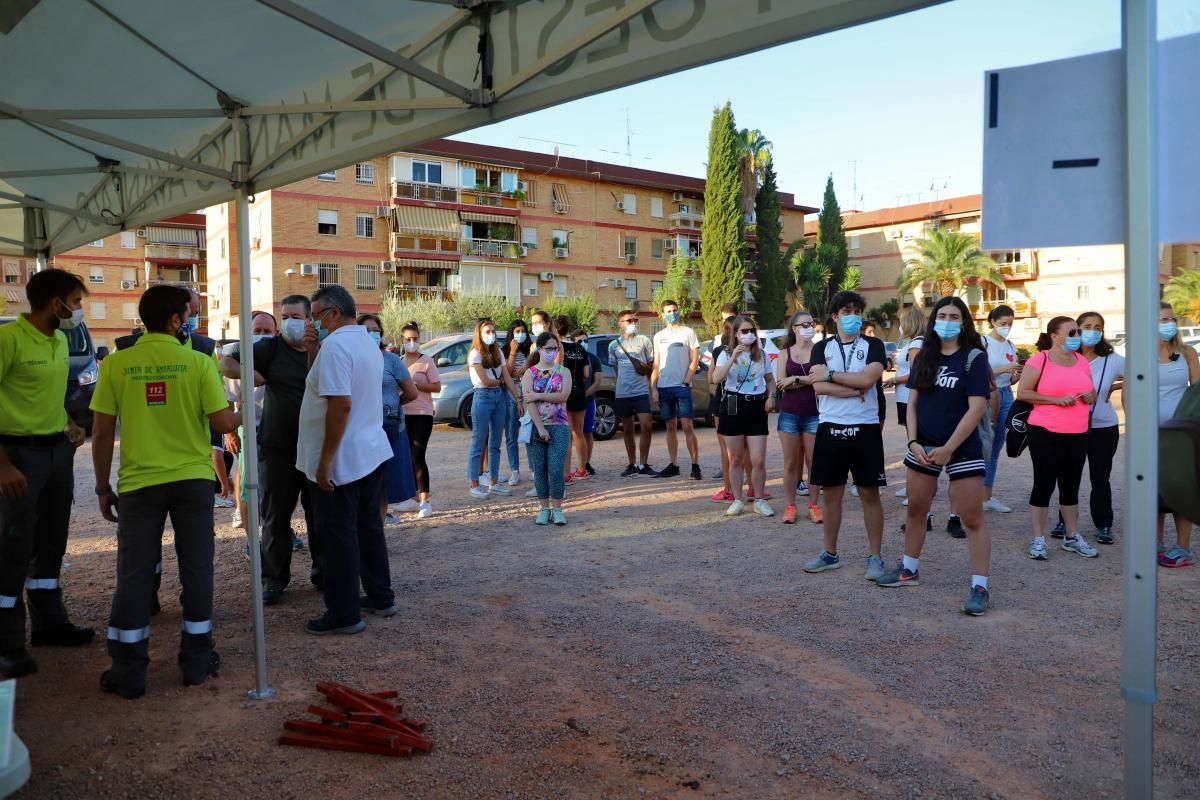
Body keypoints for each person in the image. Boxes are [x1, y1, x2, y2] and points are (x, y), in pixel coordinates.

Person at [90, 285, 240, 697]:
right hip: (191, 481)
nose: (190, 319)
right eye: (186, 314)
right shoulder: (197, 362)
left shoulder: (117, 364)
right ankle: (195, 659)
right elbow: (225, 424)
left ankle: (128, 669)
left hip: (139, 484)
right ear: (176, 321)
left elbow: (102, 434)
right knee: (197, 568)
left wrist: (103, 487)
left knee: (134, 574)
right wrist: (256, 406)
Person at [0, 269, 93, 679]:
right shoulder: (7, 340)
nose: (78, 309)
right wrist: (2, 464)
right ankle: (7, 645)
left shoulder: (58, 340)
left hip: (56, 451)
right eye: (75, 301)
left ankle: (50, 625)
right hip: (17, 457)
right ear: (55, 303)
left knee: (52, 540)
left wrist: (66, 425)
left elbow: (44, 397)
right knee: (12, 548)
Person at [875, 297, 993, 615]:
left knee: (971, 517)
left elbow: (977, 408)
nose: (948, 321)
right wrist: (913, 441)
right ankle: (908, 569)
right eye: (942, 315)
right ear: (933, 320)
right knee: (916, 509)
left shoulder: (974, 358)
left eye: (955, 316)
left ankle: (980, 586)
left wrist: (949, 448)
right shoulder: (925, 356)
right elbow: (911, 403)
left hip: (961, 447)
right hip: (923, 446)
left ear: (964, 321)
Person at [297, 286, 396, 635]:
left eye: (316, 315)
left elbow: (340, 405)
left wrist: (325, 462)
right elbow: (325, 389)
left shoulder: (338, 346)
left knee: (338, 536)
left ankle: (344, 612)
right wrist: (313, 352)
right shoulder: (365, 343)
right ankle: (380, 595)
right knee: (368, 528)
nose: (313, 322)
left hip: (344, 457)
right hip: (368, 451)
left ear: (334, 313)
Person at [221, 295, 320, 606]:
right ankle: (273, 580)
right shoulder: (269, 348)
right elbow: (225, 360)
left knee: (320, 517)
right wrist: (250, 374)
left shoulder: (325, 348)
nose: (289, 321)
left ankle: (324, 574)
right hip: (277, 448)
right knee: (275, 518)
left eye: (295, 315)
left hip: (317, 447)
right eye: (285, 315)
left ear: (309, 320)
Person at [802, 291, 888, 581]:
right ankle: (830, 553)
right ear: (835, 316)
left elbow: (869, 379)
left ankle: (875, 556)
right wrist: (855, 388)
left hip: (865, 428)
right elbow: (818, 389)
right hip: (830, 426)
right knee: (832, 496)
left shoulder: (874, 345)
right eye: (846, 311)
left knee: (869, 494)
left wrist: (831, 376)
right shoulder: (821, 348)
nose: (852, 315)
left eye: (856, 310)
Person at [1018, 316, 1099, 560]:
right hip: (1045, 431)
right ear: (1055, 336)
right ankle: (1038, 539)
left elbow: (1092, 393)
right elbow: (1023, 392)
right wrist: (1055, 400)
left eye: (1077, 332)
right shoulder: (1039, 359)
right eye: (1072, 332)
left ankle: (1071, 536)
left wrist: (1090, 396)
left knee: (1071, 485)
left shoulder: (1082, 361)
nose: (1077, 336)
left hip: (1077, 432)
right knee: (1044, 483)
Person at [1046, 312, 1124, 546]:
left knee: (1101, 476)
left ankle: (1104, 524)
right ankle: (1064, 522)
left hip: (1103, 427)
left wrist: (1111, 387)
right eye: (1087, 326)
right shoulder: (1064, 357)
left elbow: (1140, 377)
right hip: (1070, 427)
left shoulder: (1114, 359)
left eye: (1098, 327)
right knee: (1069, 476)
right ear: (1076, 329)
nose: (1093, 331)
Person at [711, 315, 777, 517]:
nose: (749, 335)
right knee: (736, 458)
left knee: (758, 460)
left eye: (751, 331)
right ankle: (737, 499)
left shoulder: (762, 355)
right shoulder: (725, 354)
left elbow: (770, 380)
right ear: (735, 334)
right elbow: (715, 379)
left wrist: (771, 396)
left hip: (756, 405)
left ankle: (758, 499)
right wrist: (733, 358)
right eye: (744, 331)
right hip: (733, 405)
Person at [359, 315, 418, 525]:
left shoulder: (391, 360)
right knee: (363, 481)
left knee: (384, 482)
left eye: (375, 330)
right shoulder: (351, 358)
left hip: (390, 428)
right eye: (366, 330)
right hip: (360, 429)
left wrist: (392, 407)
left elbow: (411, 393)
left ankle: (378, 527)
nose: (372, 334)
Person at [1156, 303, 1200, 567]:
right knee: (1154, 490)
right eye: (1162, 319)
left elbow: (1196, 392)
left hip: (1181, 434)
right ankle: (1156, 543)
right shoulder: (1140, 355)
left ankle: (1183, 548)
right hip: (1151, 434)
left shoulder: (1187, 353)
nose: (1169, 324)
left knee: (1182, 488)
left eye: (1171, 319)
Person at [224, 310, 275, 530]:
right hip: (251, 433)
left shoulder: (283, 357)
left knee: (277, 488)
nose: (262, 335)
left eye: (267, 331)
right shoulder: (239, 361)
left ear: (276, 332)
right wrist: (230, 433)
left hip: (281, 433)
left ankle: (279, 529)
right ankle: (251, 539)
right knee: (248, 486)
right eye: (257, 331)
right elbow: (228, 399)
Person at [467, 318, 522, 498]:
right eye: (486, 332)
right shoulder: (475, 354)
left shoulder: (498, 351)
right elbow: (486, 381)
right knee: (478, 441)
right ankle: (474, 484)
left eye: (492, 331)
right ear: (479, 334)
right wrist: (499, 382)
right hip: (482, 396)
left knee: (496, 442)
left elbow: (506, 376)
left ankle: (494, 481)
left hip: (499, 397)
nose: (491, 335)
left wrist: (518, 398)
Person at [776, 310, 822, 524]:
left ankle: (813, 506)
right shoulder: (784, 353)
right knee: (790, 463)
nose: (809, 327)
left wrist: (795, 379)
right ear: (794, 328)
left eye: (811, 324)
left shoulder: (819, 351)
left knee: (814, 462)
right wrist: (806, 379)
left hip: (814, 413)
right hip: (789, 414)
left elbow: (821, 380)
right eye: (804, 324)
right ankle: (790, 506)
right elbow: (780, 382)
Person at [523, 331, 573, 525]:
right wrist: (540, 428)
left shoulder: (564, 372)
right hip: (536, 427)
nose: (552, 352)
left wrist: (537, 395)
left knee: (555, 468)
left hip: (559, 425)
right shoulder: (530, 373)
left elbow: (563, 396)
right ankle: (544, 508)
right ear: (540, 349)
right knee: (540, 469)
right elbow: (529, 403)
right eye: (548, 348)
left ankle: (558, 508)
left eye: (555, 348)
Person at [650, 300, 702, 480]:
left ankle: (695, 466)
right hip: (664, 388)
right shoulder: (658, 336)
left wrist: (686, 382)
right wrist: (654, 388)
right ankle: (673, 465)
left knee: (687, 425)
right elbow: (656, 364)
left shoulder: (688, 332)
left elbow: (694, 361)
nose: (671, 313)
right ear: (662, 315)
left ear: (678, 311)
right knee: (670, 426)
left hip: (682, 387)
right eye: (668, 311)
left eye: (674, 310)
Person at [980, 305, 1021, 513]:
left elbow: (1010, 379)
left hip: (1006, 395)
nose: (1007, 327)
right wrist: (1005, 369)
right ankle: (974, 494)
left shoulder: (1011, 345)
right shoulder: (983, 342)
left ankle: (987, 496)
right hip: (988, 396)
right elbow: (978, 374)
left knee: (996, 448)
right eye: (1003, 323)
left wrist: (1016, 374)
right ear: (993, 322)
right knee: (983, 445)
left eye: (1010, 324)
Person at [400, 321, 441, 518]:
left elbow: (437, 386)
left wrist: (416, 386)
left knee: (418, 455)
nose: (412, 342)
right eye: (408, 339)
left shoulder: (427, 361)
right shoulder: (398, 361)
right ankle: (413, 496)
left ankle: (426, 500)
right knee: (406, 456)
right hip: (402, 414)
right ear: (402, 340)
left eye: (415, 339)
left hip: (422, 414)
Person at [608, 309, 656, 477]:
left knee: (647, 425)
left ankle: (644, 464)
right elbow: (615, 369)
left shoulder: (644, 340)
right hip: (622, 394)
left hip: (641, 391)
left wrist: (652, 388)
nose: (633, 323)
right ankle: (632, 464)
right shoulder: (613, 345)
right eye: (629, 320)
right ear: (620, 324)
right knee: (627, 429)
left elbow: (652, 366)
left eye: (635, 320)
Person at [887, 306, 926, 506]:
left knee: (914, 442)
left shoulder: (916, 344)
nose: (900, 326)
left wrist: (894, 379)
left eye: (901, 322)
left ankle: (917, 489)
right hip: (905, 397)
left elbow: (915, 373)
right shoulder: (915, 342)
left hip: (910, 397)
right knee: (912, 441)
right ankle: (913, 486)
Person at [554, 316, 592, 484]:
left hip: (564, 392)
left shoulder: (556, 348)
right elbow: (586, 374)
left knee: (566, 433)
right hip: (579, 392)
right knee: (579, 432)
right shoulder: (580, 348)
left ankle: (566, 472)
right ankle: (582, 468)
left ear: (554, 330)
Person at [709, 303, 739, 484]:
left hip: (736, 400)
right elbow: (712, 378)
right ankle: (732, 484)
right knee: (728, 445)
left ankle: (735, 486)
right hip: (722, 399)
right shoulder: (718, 350)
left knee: (736, 446)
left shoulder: (753, 350)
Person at [503, 319, 532, 486]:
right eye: (517, 331)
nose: (520, 334)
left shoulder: (531, 349)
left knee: (529, 433)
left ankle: (533, 469)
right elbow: (507, 373)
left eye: (523, 331)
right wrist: (513, 353)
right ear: (511, 334)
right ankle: (514, 471)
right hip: (512, 394)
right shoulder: (505, 350)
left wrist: (527, 365)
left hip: (528, 393)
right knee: (511, 435)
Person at [573, 329, 602, 476]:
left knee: (587, 432)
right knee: (573, 433)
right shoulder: (569, 358)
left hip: (588, 401)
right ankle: (576, 465)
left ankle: (586, 463)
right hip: (571, 403)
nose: (583, 343)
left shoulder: (593, 358)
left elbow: (597, 382)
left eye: (586, 341)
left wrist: (583, 395)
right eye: (579, 341)